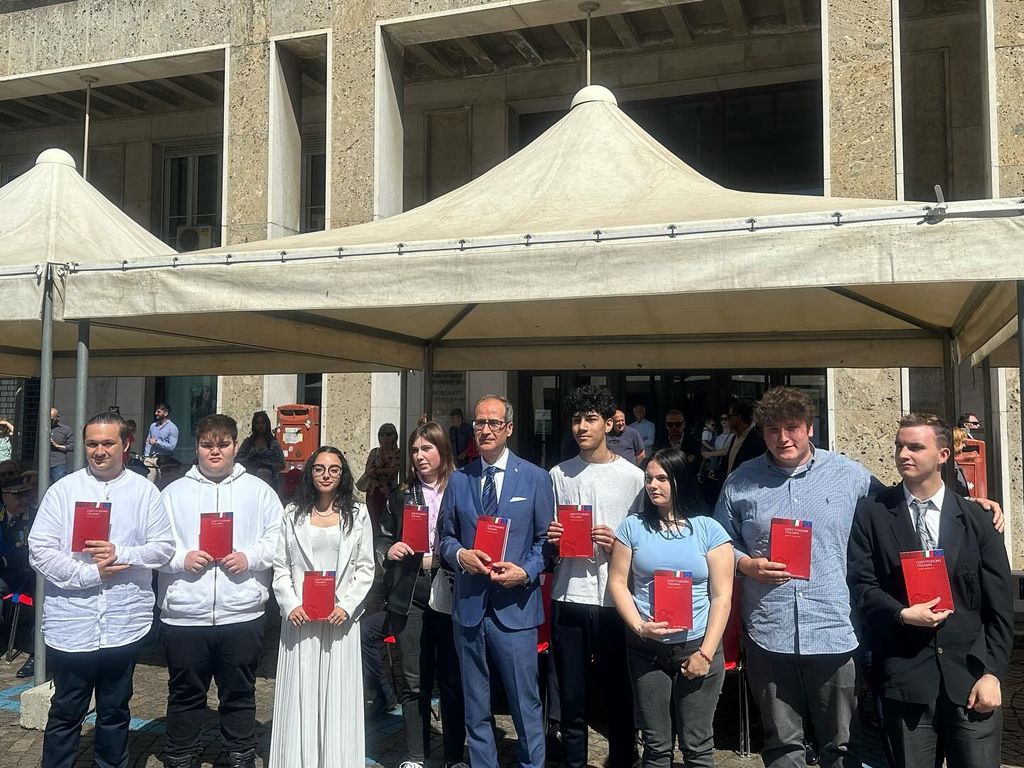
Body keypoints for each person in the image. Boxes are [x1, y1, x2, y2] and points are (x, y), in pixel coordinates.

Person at [714, 386, 871, 768]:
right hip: (770, 631)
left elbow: (899, 511)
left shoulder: (850, 475)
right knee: (782, 745)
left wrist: (970, 505)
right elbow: (718, 542)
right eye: (772, 429)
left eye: (792, 427)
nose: (782, 438)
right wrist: (745, 564)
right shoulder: (741, 481)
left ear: (809, 427)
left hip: (833, 627)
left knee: (842, 745)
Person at [848, 413, 1012, 768]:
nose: (903, 454)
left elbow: (999, 607)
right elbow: (862, 586)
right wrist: (901, 614)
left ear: (943, 455)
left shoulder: (978, 519)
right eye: (899, 446)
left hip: (970, 680)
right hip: (905, 681)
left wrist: (993, 673)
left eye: (915, 447)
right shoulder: (872, 514)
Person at [28, 411, 173, 768]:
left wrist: (121, 553)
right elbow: (39, 551)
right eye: (92, 443)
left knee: (115, 712)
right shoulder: (63, 491)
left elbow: (163, 548)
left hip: (124, 623)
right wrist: (89, 574)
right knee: (66, 712)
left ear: (126, 444)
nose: (99, 451)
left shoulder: (145, 492)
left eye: (108, 443)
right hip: (72, 624)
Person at [157, 414, 283, 768]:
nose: (215, 452)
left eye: (223, 445)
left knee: (239, 692)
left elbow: (279, 539)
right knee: (184, 693)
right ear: (196, 447)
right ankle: (181, 755)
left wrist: (250, 557)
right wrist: (181, 558)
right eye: (207, 445)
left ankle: (240, 754)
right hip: (185, 614)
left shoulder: (258, 491)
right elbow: (155, 545)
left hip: (241, 612)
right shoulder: (173, 493)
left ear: (235, 446)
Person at [439, 394, 554, 768]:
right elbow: (445, 537)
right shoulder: (460, 479)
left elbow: (545, 541)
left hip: (515, 609)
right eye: (479, 423)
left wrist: (527, 571)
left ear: (508, 428)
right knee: (475, 706)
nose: (485, 429)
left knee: (525, 704)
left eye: (493, 423)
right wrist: (461, 555)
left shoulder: (535, 478)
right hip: (470, 609)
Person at [610, 448, 734, 768]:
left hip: (696, 647)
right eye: (649, 478)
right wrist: (639, 626)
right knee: (655, 746)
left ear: (679, 480)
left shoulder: (709, 529)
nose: (653, 485)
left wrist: (706, 653)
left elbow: (722, 596)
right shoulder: (632, 527)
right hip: (646, 649)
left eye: (662, 478)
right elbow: (618, 583)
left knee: (697, 746)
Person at [544, 385, 644, 768]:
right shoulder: (558, 475)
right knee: (572, 698)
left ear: (608, 424)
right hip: (569, 595)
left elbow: (644, 542)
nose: (582, 427)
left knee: (619, 694)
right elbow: (546, 542)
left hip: (615, 601)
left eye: (590, 419)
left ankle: (622, 760)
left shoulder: (634, 478)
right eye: (575, 420)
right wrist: (553, 539)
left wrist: (618, 544)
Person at [269, 446, 376, 768]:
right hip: (300, 619)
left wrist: (347, 605)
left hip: (339, 619)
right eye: (319, 468)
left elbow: (366, 567)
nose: (326, 475)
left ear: (342, 474)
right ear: (310, 473)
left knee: (338, 694)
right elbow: (280, 565)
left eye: (333, 469)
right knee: (300, 692)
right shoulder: (292, 514)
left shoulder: (358, 514)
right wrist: (290, 604)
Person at [383, 422, 466, 768]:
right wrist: (388, 549)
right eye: (415, 450)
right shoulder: (402, 494)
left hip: (452, 587)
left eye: (426, 449)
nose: (419, 456)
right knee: (414, 680)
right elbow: (383, 537)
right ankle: (416, 755)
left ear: (442, 450)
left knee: (452, 679)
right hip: (411, 591)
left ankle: (454, 756)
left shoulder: (463, 488)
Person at [1, 479, 35, 678]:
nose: (23, 500)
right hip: (5, 573)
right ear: (5, 497)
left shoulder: (35, 517)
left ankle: (36, 654)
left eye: (25, 495)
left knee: (43, 596)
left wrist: (5, 560)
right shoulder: (1, 517)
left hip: (29, 572)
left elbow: (34, 551)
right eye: (17, 496)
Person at [361, 423, 400, 527]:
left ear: (395, 436)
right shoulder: (374, 452)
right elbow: (368, 470)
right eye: (382, 434)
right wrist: (384, 471)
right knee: (373, 522)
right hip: (373, 492)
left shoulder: (398, 453)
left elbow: (394, 471)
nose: (385, 437)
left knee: (388, 523)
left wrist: (377, 471)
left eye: (389, 434)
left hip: (389, 492)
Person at [237, 410, 286, 489]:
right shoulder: (248, 442)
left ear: (267, 424)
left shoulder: (273, 443)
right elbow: (238, 460)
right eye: (257, 423)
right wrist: (250, 459)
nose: (260, 425)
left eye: (263, 422)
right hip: (251, 479)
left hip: (270, 481)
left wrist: (266, 465)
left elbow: (282, 464)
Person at [144, 403, 179, 482]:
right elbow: (148, 441)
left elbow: (172, 446)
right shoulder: (153, 426)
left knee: (162, 482)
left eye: (158, 412)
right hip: (150, 458)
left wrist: (157, 442)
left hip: (164, 460)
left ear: (165, 413)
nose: (156, 413)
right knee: (149, 481)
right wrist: (146, 456)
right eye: (156, 411)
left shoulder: (172, 428)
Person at [48, 407, 74, 484]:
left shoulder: (65, 429)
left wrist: (57, 446)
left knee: (59, 485)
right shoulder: (43, 428)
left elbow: (72, 446)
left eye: (51, 419)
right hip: (43, 464)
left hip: (58, 464)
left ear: (57, 418)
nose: (49, 421)